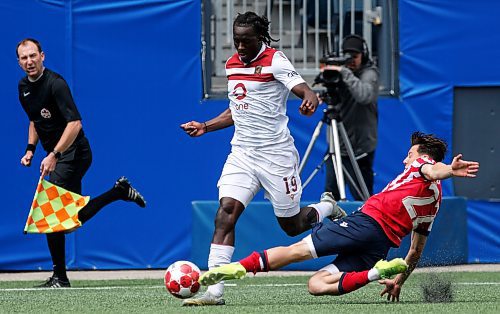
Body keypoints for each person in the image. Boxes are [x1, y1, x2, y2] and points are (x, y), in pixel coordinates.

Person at [180, 12, 345, 306]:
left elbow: (304, 89)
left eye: (247, 41)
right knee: (225, 213)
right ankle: (214, 291)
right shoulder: (231, 66)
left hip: (276, 156)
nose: (240, 47)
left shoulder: (275, 61)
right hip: (242, 154)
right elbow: (237, 110)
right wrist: (206, 126)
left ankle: (327, 206)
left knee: (291, 225)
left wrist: (309, 99)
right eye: (237, 40)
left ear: (261, 38)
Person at [199, 132, 480, 302]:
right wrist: (399, 280)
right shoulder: (435, 203)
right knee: (316, 285)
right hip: (380, 247)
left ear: (422, 156)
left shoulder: (424, 164)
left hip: (364, 224)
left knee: (294, 251)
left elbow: (433, 170)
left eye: (409, 154)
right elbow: (416, 252)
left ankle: (230, 270)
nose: (406, 160)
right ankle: (376, 273)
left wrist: (449, 170)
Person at [17, 38, 147, 288]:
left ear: (42, 56)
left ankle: (60, 277)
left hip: (74, 152)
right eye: (24, 58)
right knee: (68, 219)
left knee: (50, 212)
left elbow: (75, 124)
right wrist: (30, 149)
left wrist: (54, 154)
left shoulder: (56, 84)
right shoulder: (23, 86)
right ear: (19, 62)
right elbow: (34, 120)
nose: (29, 61)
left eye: (33, 56)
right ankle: (118, 192)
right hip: (56, 155)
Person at [323, 34, 379, 200]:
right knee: (330, 197)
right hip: (337, 146)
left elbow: (364, 96)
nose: (351, 60)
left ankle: (367, 226)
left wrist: (345, 73)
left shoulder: (370, 73)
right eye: (347, 57)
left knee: (363, 197)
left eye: (355, 56)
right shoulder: (340, 72)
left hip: (360, 149)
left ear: (364, 55)